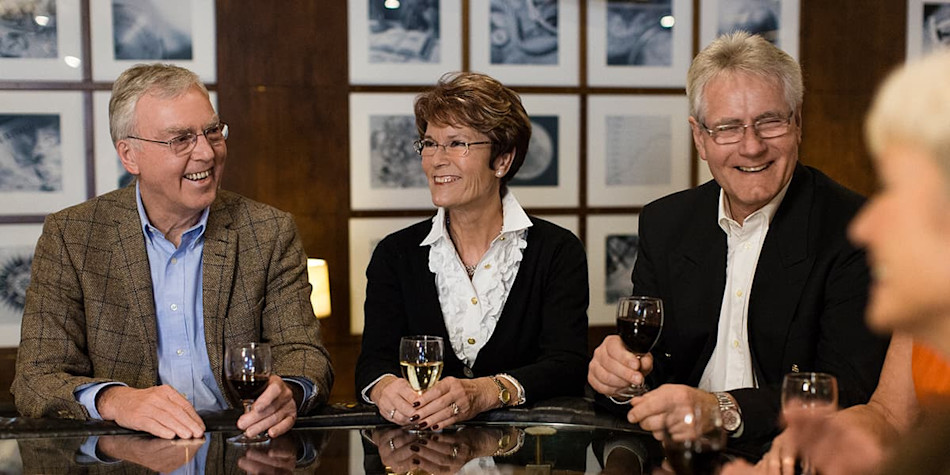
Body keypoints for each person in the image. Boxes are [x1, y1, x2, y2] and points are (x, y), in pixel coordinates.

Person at [587, 31, 888, 451]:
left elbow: (846, 389)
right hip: (679, 458)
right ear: (699, 138)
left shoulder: (855, 228)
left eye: (770, 121)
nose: (752, 147)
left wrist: (721, 409)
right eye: (728, 127)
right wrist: (619, 381)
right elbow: (651, 371)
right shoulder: (665, 222)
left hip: (789, 457)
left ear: (797, 122)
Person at [11, 63, 333, 440]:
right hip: (125, 453)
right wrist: (116, 401)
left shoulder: (267, 231)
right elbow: (36, 378)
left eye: (212, 132)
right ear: (130, 156)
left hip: (242, 447)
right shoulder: (72, 236)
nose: (207, 154)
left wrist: (291, 391)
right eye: (180, 139)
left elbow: (306, 354)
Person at [724, 49, 950, 475]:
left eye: (904, 194)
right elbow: (889, 417)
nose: (866, 226)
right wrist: (819, 440)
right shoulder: (925, 311)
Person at [355, 71, 589, 432]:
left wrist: (488, 392)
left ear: (502, 160)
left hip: (525, 463)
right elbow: (373, 363)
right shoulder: (394, 254)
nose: (436, 160)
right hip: (421, 459)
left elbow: (567, 365)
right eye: (429, 144)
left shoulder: (558, 251)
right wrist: (385, 389)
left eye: (457, 144)